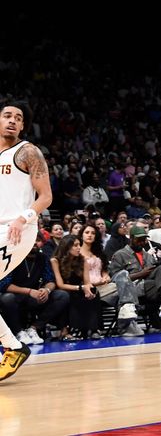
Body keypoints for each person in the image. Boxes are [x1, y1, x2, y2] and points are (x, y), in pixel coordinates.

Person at [0, 101, 53, 380]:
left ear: (22, 126)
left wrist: (23, 217)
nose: (12, 120)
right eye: (7, 115)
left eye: (18, 118)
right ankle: (13, 347)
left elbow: (46, 196)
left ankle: (12, 346)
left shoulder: (28, 152)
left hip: (18, 229)